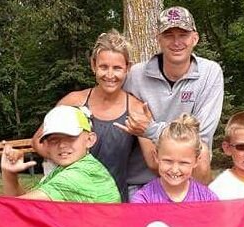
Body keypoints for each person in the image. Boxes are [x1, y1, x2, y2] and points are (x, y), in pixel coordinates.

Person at [32, 30, 155, 202]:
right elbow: (38, 141)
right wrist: (64, 158)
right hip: (70, 196)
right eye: (104, 67)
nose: (110, 75)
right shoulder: (74, 101)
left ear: (128, 68)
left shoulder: (136, 109)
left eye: (117, 68)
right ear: (93, 65)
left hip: (112, 200)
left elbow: (153, 162)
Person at [117, 5, 224, 194]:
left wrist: (151, 129)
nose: (176, 42)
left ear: (195, 38)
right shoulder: (135, 75)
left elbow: (201, 137)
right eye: (168, 35)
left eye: (182, 34)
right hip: (141, 178)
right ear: (158, 39)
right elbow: (130, 121)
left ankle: (196, 201)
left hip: (188, 174)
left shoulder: (210, 72)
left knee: (203, 151)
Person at [2, 105, 121, 203]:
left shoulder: (82, 173)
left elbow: (16, 207)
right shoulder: (64, 169)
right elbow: (21, 207)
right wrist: (9, 174)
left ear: (90, 140)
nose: (62, 145)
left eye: (70, 137)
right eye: (54, 140)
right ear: (46, 146)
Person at [131, 114, 218, 203]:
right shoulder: (143, 199)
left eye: (183, 163)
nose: (175, 170)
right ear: (156, 156)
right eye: (168, 161)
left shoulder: (207, 198)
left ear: (196, 160)